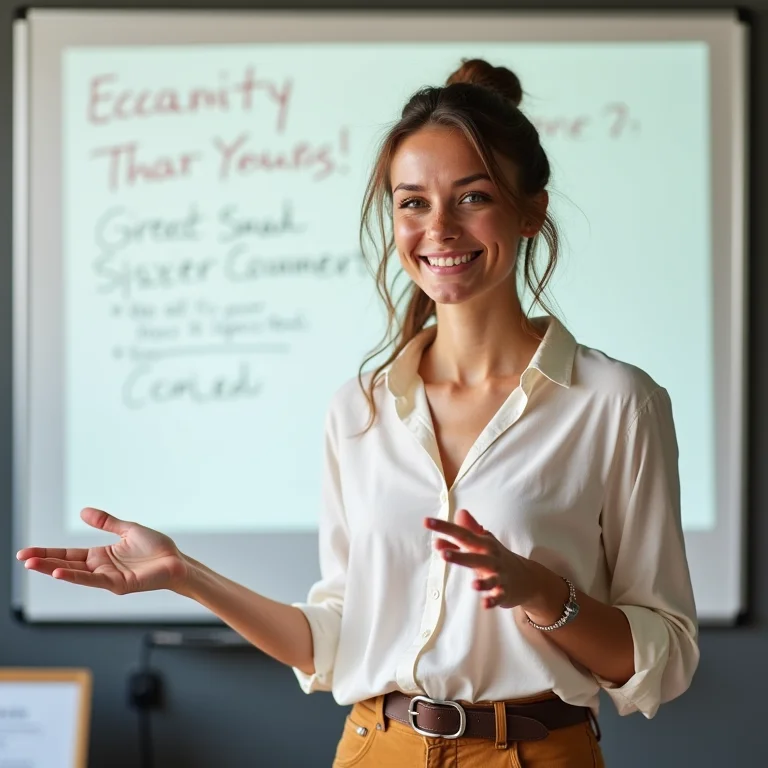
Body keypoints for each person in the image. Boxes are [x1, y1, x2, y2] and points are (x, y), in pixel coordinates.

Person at [17, 59, 699, 767]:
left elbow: (666, 657)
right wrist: (184, 573)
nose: (438, 228)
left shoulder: (616, 402)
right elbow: (338, 637)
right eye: (412, 202)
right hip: (376, 749)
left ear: (532, 211)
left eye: (473, 196)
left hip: (532, 753)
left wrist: (541, 593)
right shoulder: (361, 409)